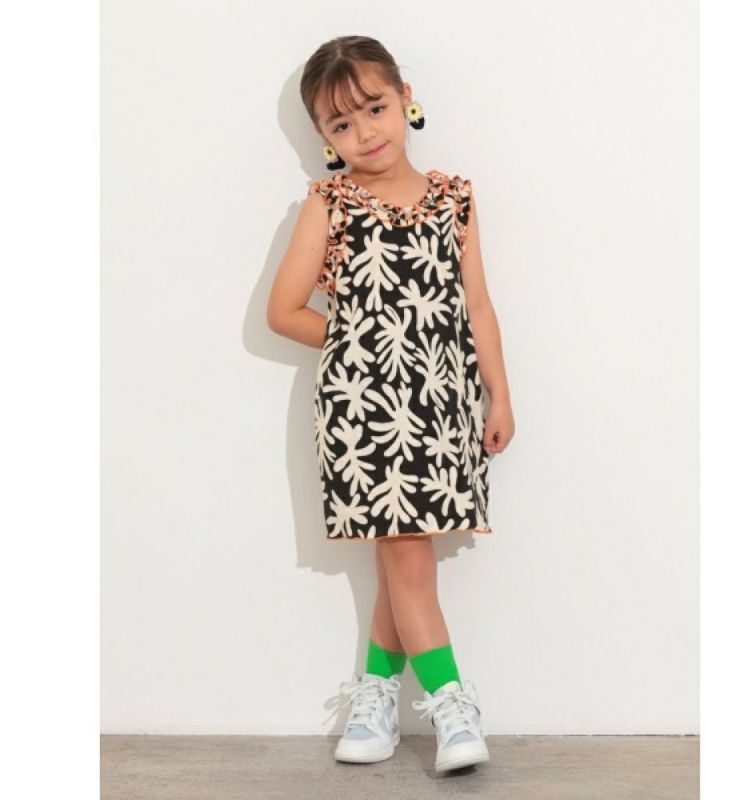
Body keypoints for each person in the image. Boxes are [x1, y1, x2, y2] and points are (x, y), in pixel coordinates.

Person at [267, 35, 515, 774]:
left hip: (441, 401)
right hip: (365, 406)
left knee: (403, 555)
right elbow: (285, 311)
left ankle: (375, 697)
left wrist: (500, 393)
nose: (364, 132)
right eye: (341, 124)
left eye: (374, 108)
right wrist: (368, 341)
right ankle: (452, 704)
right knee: (407, 555)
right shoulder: (330, 204)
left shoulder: (455, 198)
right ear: (325, 138)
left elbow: (477, 304)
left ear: (405, 98)